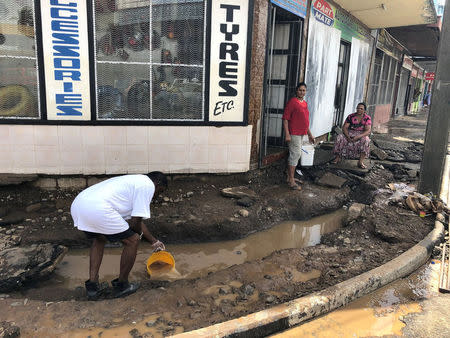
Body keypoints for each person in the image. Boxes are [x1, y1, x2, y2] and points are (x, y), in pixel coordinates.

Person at [70, 171, 168, 300]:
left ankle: (92, 287)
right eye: (160, 191)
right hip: (97, 208)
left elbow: (137, 219)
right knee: (133, 240)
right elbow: (135, 224)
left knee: (99, 239)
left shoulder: (134, 182)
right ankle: (122, 285)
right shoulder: (147, 186)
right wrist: (151, 241)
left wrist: (154, 241)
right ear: (157, 183)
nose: (156, 196)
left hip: (80, 205)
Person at [282, 82, 315, 190]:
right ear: (297, 91)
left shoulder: (304, 103)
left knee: (295, 154)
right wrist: (287, 134)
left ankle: (289, 176)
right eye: (300, 90)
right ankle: (291, 180)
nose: (302, 92)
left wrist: (310, 135)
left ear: (306, 92)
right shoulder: (292, 102)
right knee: (296, 154)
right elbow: (286, 119)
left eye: (303, 90)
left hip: (302, 133)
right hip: (293, 133)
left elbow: (305, 122)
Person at [332, 102, 371, 169]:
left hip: (361, 134)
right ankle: (337, 158)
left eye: (361, 109)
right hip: (349, 133)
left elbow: (368, 131)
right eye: (358, 108)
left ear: (364, 110)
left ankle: (360, 162)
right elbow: (344, 127)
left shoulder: (367, 118)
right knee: (339, 137)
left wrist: (358, 136)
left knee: (366, 140)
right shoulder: (351, 116)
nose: (359, 110)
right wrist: (347, 136)